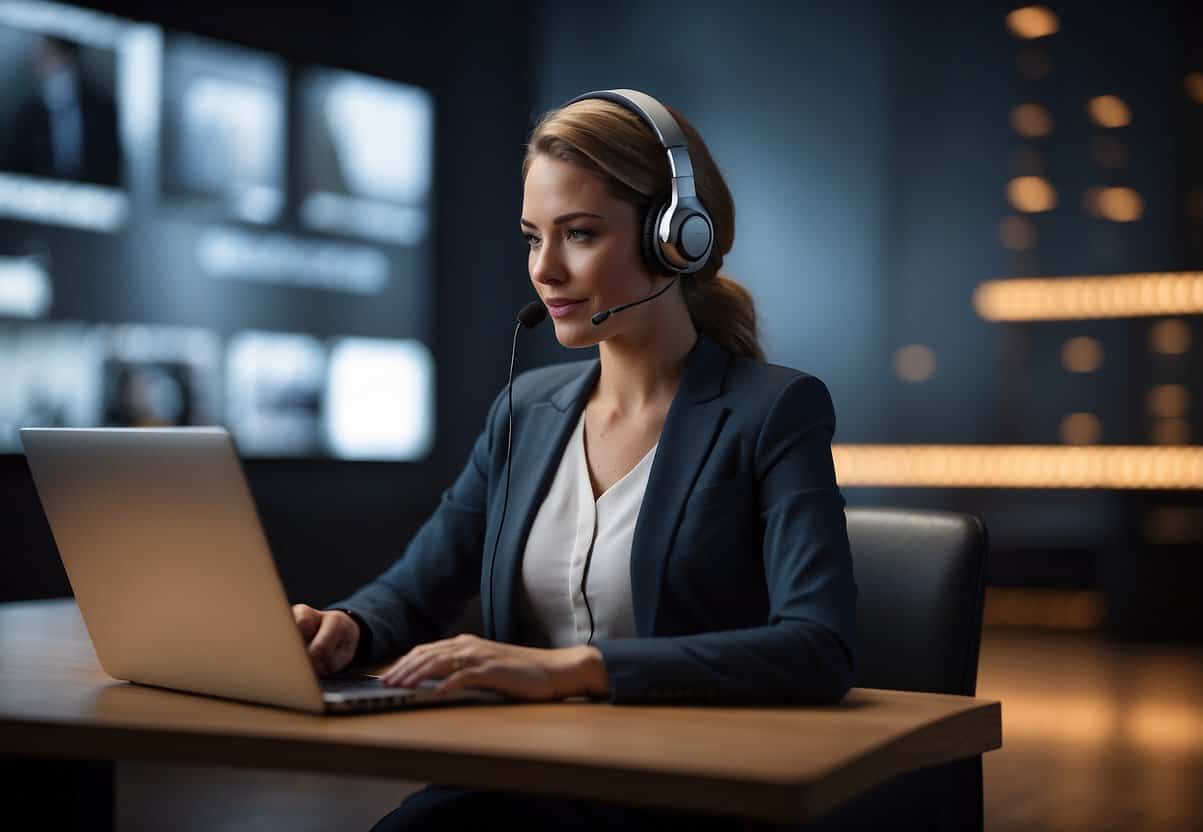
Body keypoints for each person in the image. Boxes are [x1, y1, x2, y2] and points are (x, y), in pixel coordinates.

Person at [291, 89, 857, 831]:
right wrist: (347, 629)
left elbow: (817, 646)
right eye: (532, 238)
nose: (545, 270)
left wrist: (573, 671)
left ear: (675, 237)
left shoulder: (772, 412)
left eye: (579, 234)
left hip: (689, 792)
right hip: (523, 780)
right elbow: (416, 590)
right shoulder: (524, 411)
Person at [1, 36, 123, 187]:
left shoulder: (102, 111)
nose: (38, 62)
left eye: (47, 54)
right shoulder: (27, 115)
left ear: (66, 57)